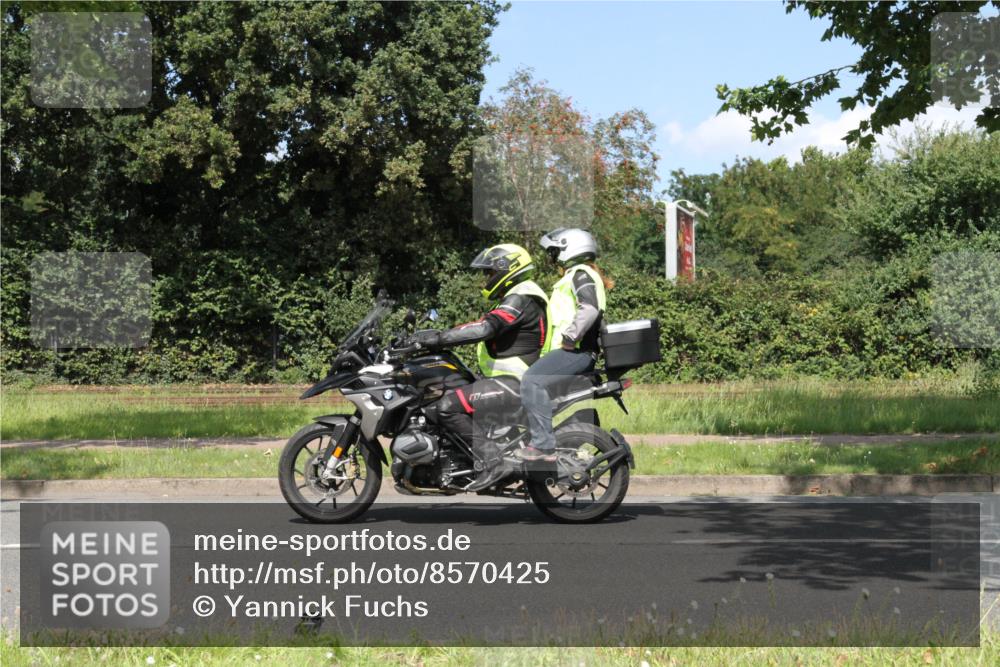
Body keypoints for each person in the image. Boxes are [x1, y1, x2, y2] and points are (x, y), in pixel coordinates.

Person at [405, 244, 548, 490]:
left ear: (508, 268)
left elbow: (485, 328)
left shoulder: (521, 297)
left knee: (447, 407)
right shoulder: (518, 296)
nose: (487, 278)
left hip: (515, 381)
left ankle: (494, 461)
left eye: (490, 272)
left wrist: (437, 338)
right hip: (510, 380)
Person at [516, 228, 610, 462]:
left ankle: (543, 446)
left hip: (577, 351)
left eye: (555, 251)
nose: (552, 257)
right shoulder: (574, 276)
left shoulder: (581, 273)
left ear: (571, 249)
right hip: (571, 352)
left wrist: (570, 338)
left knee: (532, 381)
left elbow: (589, 308)